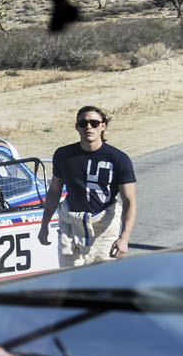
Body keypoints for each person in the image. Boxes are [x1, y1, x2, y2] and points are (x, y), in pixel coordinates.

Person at [37, 105, 138, 267]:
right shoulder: (63, 155)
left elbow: (129, 201)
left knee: (102, 277)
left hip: (104, 227)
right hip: (71, 224)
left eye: (94, 123)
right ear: (77, 127)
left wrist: (124, 238)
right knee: (70, 276)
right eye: (83, 123)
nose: (88, 127)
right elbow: (54, 191)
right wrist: (44, 225)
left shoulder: (119, 159)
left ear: (103, 126)